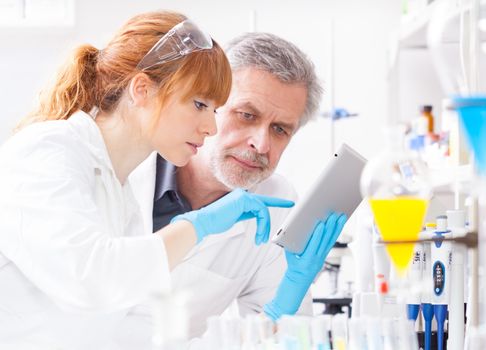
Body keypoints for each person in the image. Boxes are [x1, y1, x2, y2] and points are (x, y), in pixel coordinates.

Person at [0, 12, 294, 350]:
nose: (211, 128)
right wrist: (195, 227)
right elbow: (90, 278)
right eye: (199, 104)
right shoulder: (46, 151)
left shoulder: (121, 198)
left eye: (214, 110)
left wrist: (274, 315)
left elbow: (132, 335)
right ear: (142, 89)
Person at [125, 32, 348, 342]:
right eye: (246, 115)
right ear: (208, 103)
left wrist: (287, 301)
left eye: (280, 129)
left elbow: (280, 338)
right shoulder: (126, 171)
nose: (261, 143)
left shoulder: (277, 203)